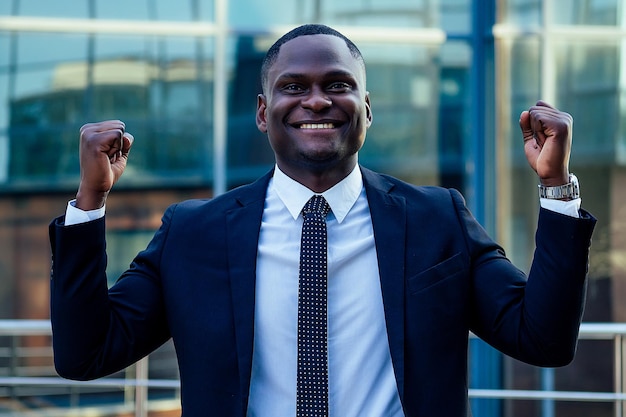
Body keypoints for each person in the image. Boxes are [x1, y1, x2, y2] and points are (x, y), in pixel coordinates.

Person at [49, 24, 596, 417]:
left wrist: (555, 187)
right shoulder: (194, 233)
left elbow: (543, 340)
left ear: (366, 108)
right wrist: (90, 201)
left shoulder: (437, 220)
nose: (317, 101)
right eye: (293, 86)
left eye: (337, 84)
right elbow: (86, 353)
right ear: (264, 113)